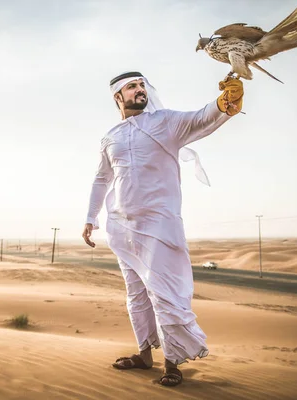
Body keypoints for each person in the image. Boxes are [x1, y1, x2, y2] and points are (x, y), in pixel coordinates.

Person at [82, 71, 243, 386]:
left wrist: (226, 101)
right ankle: (144, 355)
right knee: (136, 294)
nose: (140, 89)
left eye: (143, 85)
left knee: (165, 293)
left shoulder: (167, 123)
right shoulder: (110, 137)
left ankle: (173, 363)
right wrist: (91, 218)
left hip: (161, 223)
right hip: (122, 226)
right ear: (118, 96)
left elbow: (202, 118)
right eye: (132, 86)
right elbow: (102, 179)